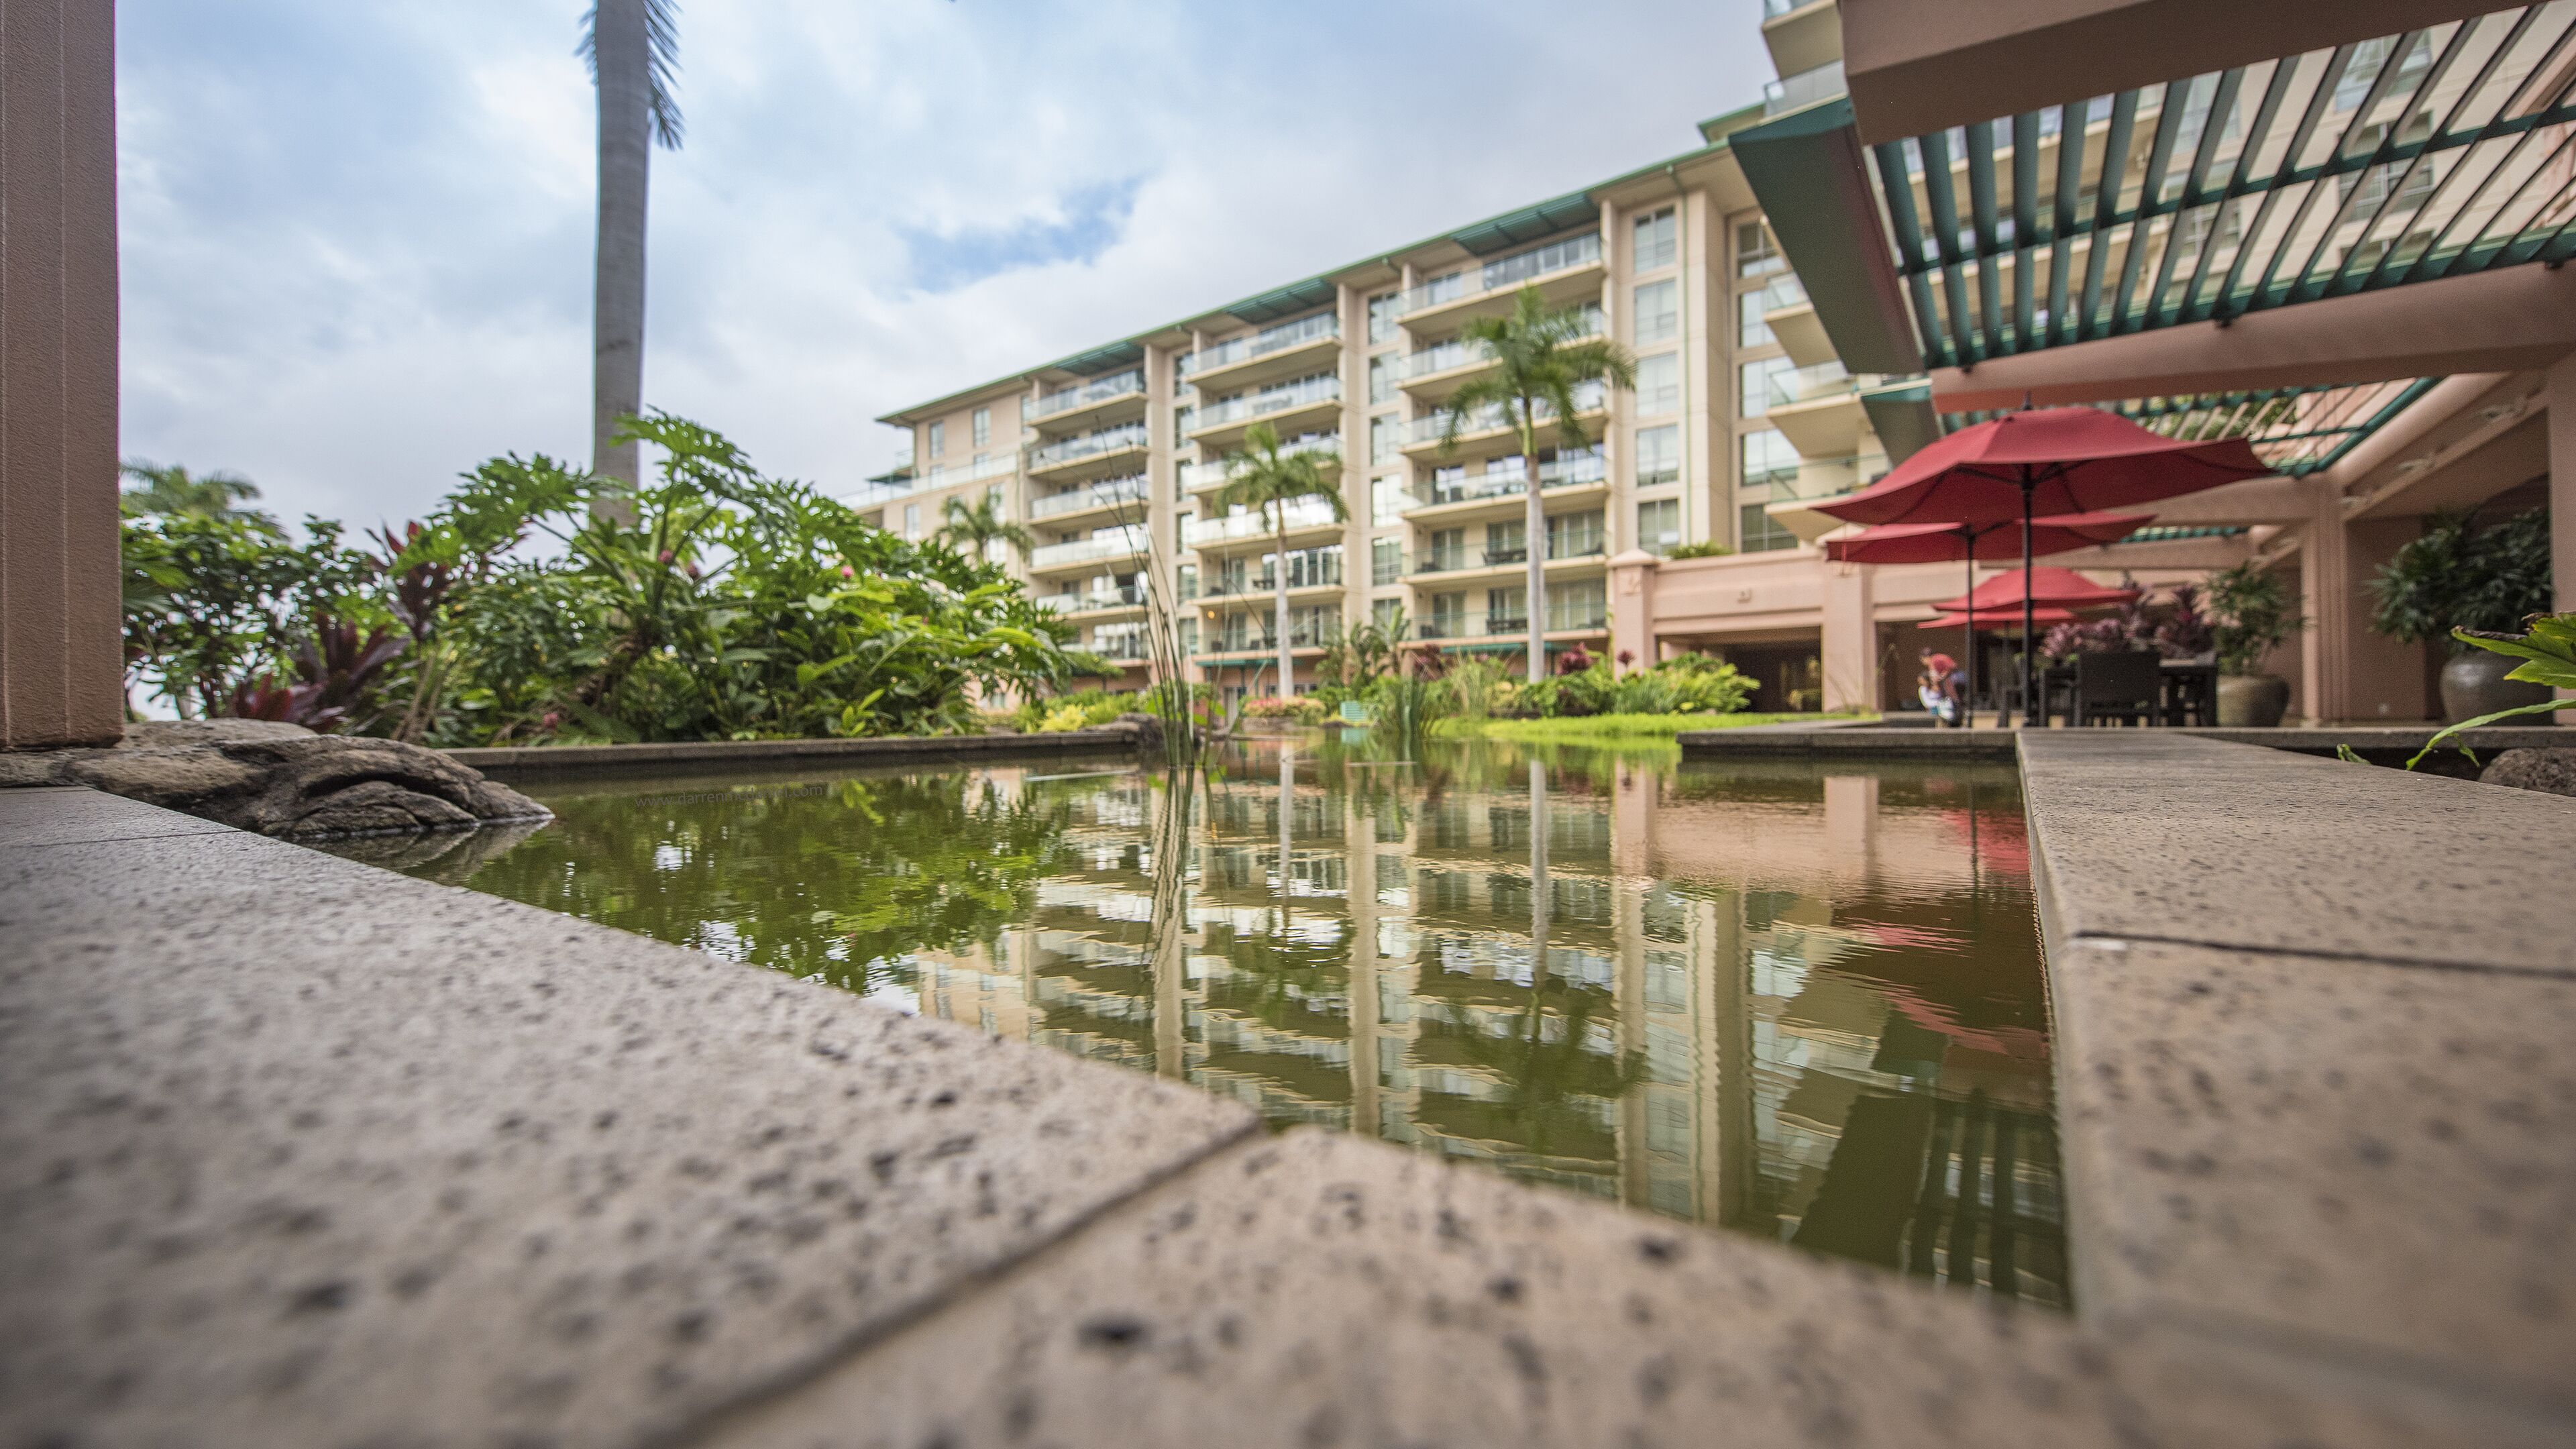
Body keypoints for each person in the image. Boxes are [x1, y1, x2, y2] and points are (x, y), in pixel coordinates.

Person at [1917, 648, 1963, 726]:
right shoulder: (1939, 658)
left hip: (1955, 679)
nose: (1923, 662)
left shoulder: (1935, 660)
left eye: (1923, 660)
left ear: (1926, 657)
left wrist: (1943, 676)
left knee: (1954, 701)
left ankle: (1955, 720)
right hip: (1958, 678)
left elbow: (1952, 666)